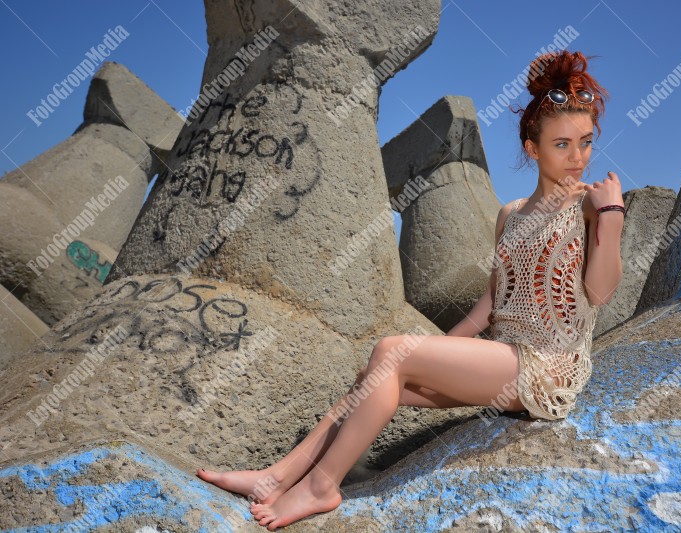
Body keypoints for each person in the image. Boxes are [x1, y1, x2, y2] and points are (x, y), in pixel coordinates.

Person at [196, 49, 625, 530]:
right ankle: (276, 477)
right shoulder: (512, 213)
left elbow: (601, 292)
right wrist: (440, 350)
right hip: (503, 358)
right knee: (377, 374)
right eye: (562, 145)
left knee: (393, 352)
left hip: (547, 368)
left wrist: (611, 217)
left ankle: (322, 488)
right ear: (533, 148)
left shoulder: (593, 206)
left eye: (585, 143)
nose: (578, 158)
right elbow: (492, 303)